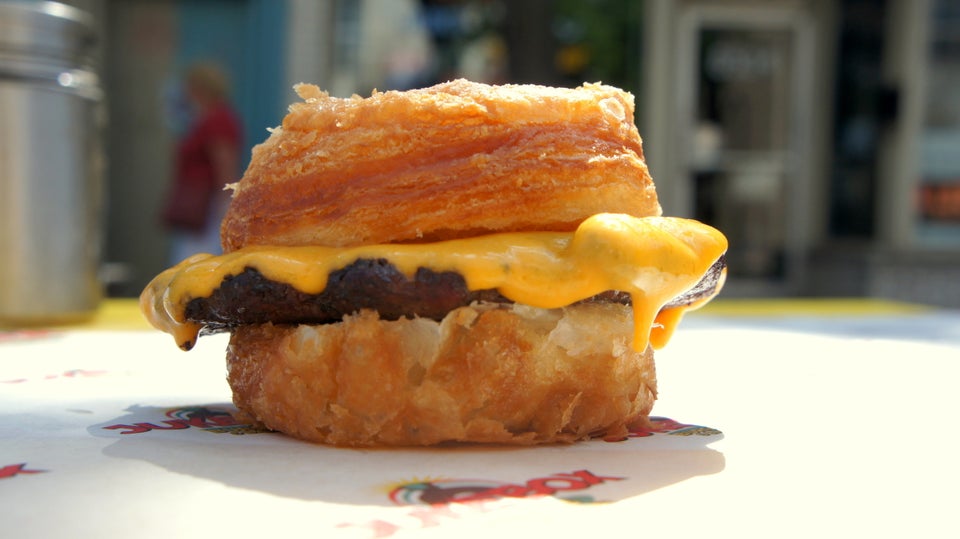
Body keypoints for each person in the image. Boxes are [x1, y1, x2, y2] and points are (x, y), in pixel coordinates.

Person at [161, 62, 243, 264]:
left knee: (196, 258)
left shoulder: (217, 119)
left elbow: (224, 162)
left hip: (209, 205)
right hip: (199, 206)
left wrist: (225, 202)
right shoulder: (202, 118)